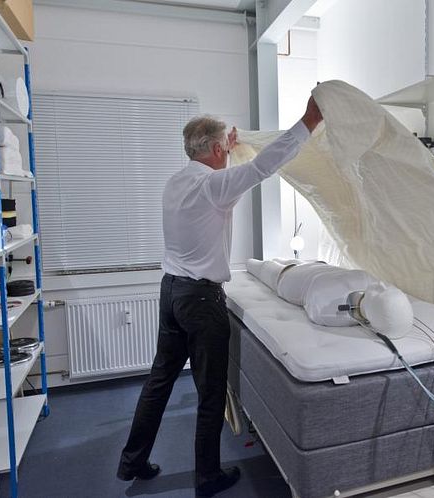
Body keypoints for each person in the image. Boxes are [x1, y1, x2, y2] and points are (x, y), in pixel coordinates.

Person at [117, 95, 323, 497]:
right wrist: (308, 122)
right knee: (211, 391)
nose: (228, 153)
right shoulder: (214, 185)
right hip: (201, 302)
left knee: (159, 381)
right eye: (224, 148)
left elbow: (232, 167)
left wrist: (227, 146)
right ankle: (207, 476)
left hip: (171, 293)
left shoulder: (176, 182)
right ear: (215, 150)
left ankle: (132, 462)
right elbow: (265, 165)